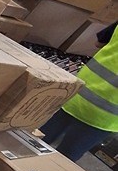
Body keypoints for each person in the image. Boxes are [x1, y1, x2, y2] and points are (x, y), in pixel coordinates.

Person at [40, 21, 117, 162]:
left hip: (78, 95)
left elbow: (99, 43)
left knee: (35, 141)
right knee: (63, 159)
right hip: (105, 117)